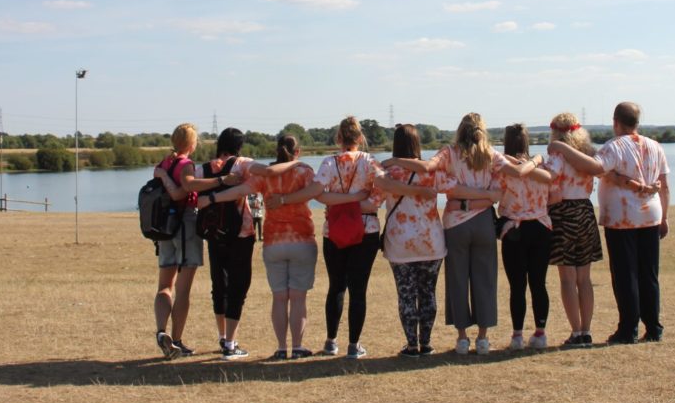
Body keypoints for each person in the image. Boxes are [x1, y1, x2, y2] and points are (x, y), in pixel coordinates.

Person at [386, 113, 539, 355]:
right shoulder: (491, 154)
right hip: (484, 224)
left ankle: (462, 338)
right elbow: (509, 180)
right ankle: (483, 339)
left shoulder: (449, 152)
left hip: (456, 224)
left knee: (457, 281)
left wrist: (463, 202)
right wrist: (537, 160)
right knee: (485, 280)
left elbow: (432, 171)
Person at [550, 102, 670, 344]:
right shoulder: (655, 146)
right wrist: (665, 217)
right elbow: (664, 186)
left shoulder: (615, 146)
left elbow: (594, 167)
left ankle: (628, 329)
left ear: (616, 122)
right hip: (651, 215)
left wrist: (561, 146)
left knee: (626, 275)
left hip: (622, 218)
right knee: (649, 274)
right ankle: (653, 327)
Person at [268, 116, 382, 359]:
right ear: (360, 138)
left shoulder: (329, 163)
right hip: (366, 229)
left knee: (336, 286)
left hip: (335, 230)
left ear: (338, 138)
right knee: (358, 290)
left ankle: (331, 341)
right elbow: (377, 198)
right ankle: (354, 345)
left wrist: (286, 200)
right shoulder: (370, 162)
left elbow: (317, 195)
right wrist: (355, 199)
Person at [199, 135, 317, 360]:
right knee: (299, 298)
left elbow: (239, 191)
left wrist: (212, 198)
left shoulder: (263, 176)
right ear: (297, 152)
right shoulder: (305, 171)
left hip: (273, 242)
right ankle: (298, 346)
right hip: (301, 239)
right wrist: (289, 198)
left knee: (280, 298)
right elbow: (316, 192)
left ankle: (282, 348)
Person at [373, 124, 482, 358]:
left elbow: (372, 200)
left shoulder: (387, 173)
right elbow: (459, 189)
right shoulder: (432, 173)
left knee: (406, 295)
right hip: (430, 242)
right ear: (417, 144)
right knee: (427, 293)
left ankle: (412, 345)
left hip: (399, 242)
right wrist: (488, 196)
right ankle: (427, 343)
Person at [159, 127, 256, 359]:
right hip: (240, 231)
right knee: (237, 286)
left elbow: (186, 189)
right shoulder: (242, 163)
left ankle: (221, 335)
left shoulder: (202, 167)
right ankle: (229, 343)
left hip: (212, 233)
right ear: (239, 147)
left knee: (218, 285)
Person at [151, 123, 225, 359]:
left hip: (164, 229)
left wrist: (164, 177)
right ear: (192, 144)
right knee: (183, 289)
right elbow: (187, 187)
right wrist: (221, 180)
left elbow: (167, 186)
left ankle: (162, 331)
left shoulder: (165, 163)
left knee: (165, 285)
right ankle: (178, 340)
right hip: (185, 226)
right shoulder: (185, 165)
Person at [544, 113, 603, 348]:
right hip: (585, 211)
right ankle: (587, 330)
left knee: (567, 279)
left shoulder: (558, 155)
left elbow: (552, 180)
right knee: (584, 279)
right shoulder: (588, 154)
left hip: (563, 213)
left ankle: (576, 331)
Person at [496, 124, 554, 351]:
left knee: (517, 286)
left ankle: (517, 335)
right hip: (541, 227)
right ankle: (540, 332)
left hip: (514, 230)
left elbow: (495, 193)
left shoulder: (502, 167)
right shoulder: (541, 166)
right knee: (539, 283)